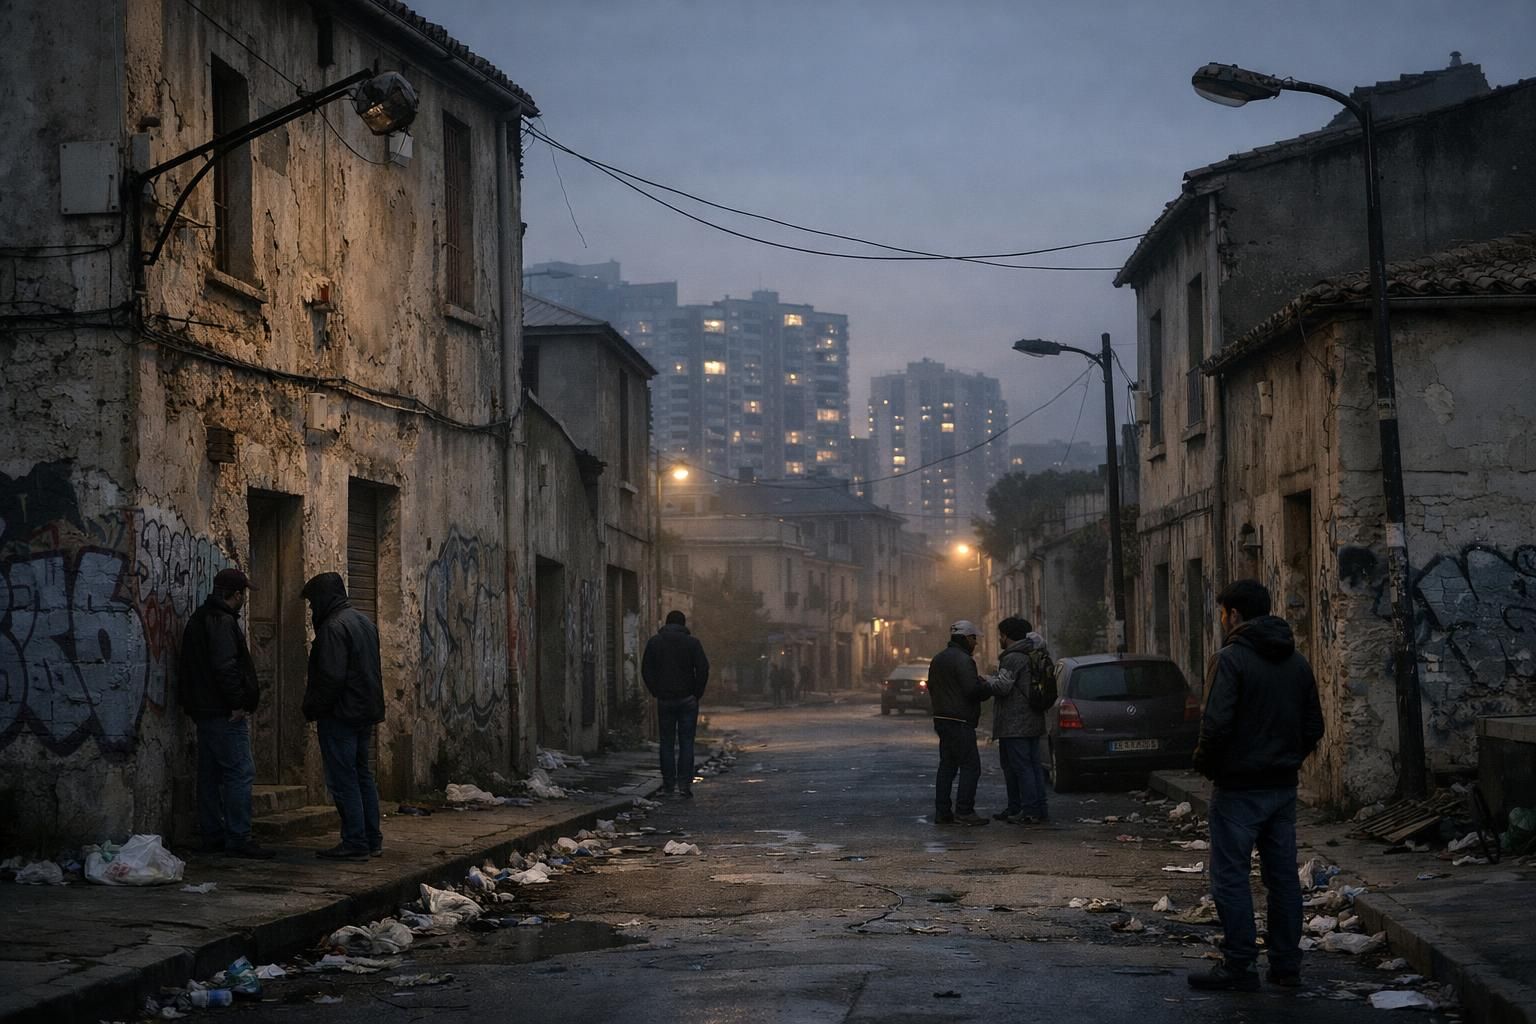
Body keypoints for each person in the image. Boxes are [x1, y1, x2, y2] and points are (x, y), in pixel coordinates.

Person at [1188, 579, 1324, 992]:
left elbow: (1215, 725)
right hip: (1281, 787)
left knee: (1230, 875)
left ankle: (1239, 964)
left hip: (1239, 787)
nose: (1223, 620)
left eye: (1223, 613)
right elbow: (1313, 726)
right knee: (1282, 878)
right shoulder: (1297, 661)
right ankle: (1286, 966)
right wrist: (1286, 761)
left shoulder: (1229, 660)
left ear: (1234, 614)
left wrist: (1208, 765)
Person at [180, 567, 275, 859]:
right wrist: (237, 703)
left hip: (205, 710)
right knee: (239, 772)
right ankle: (238, 836)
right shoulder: (221, 622)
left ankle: (213, 834)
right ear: (235, 595)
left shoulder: (201, 618)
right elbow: (225, 667)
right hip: (222, 712)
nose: (244, 598)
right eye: (243, 593)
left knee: (210, 774)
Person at [301, 572, 385, 861]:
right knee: (362, 775)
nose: (312, 609)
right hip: (364, 712)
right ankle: (371, 838)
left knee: (344, 778)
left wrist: (312, 708)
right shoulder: (364, 622)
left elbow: (331, 678)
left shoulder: (333, 628)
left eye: (313, 603)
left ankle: (355, 841)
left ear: (324, 598)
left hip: (341, 714)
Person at [985, 617, 1052, 824]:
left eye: (1001, 635)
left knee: (1020, 768)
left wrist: (987, 681)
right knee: (1032, 767)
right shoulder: (1033, 653)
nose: (999, 639)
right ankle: (1032, 808)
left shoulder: (1012, 657)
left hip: (1015, 724)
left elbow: (1003, 687)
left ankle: (1028, 810)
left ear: (1006, 635)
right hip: (1032, 720)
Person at [927, 620, 992, 826]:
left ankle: (942, 812)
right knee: (971, 767)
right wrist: (985, 686)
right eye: (974, 639)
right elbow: (971, 691)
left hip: (942, 719)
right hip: (960, 721)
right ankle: (964, 811)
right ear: (966, 638)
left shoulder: (938, 659)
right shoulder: (964, 661)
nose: (976, 643)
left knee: (947, 766)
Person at [641, 610, 710, 798]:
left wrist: (656, 690)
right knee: (687, 743)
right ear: (683, 624)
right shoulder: (692, 643)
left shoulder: (655, 642)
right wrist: (697, 693)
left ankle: (669, 784)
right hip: (688, 699)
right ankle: (684, 785)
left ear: (667, 622)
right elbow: (703, 668)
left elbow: (646, 669)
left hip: (665, 699)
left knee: (667, 743)